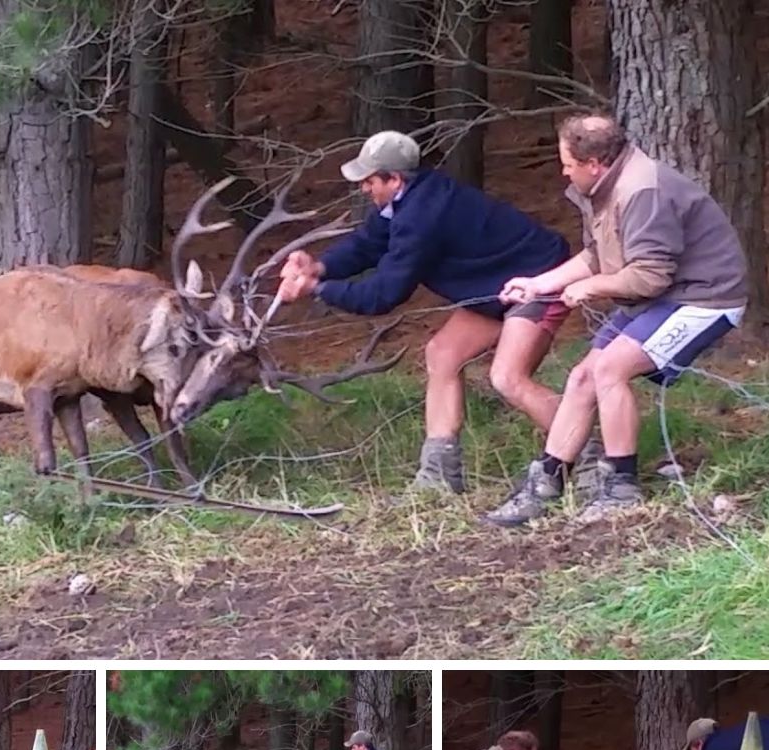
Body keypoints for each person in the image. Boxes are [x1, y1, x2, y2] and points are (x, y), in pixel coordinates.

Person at [487, 112, 748, 526]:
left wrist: (592, 289)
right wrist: (540, 285)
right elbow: (596, 256)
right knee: (581, 377)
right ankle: (546, 483)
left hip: (705, 296)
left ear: (594, 164)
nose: (563, 171)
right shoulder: (606, 188)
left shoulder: (642, 190)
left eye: (568, 164)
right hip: (663, 295)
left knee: (609, 370)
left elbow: (648, 274)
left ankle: (622, 488)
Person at [277, 130, 574, 495]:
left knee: (508, 377)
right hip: (496, 286)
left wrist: (316, 290)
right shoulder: (408, 199)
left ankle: (592, 458)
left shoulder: (421, 217)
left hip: (540, 278)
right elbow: (368, 243)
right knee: (443, 354)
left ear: (394, 178)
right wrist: (319, 268)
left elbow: (383, 294)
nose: (364, 189)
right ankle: (438, 476)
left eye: (369, 181)